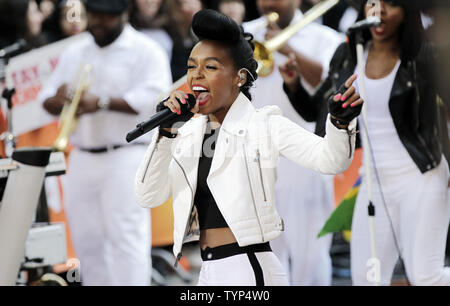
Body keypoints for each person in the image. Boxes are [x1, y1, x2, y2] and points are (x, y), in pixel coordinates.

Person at [134, 9, 362, 286]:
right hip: (207, 271)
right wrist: (166, 133)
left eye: (211, 67)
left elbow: (331, 160)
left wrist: (339, 121)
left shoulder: (265, 124)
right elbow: (148, 195)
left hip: (249, 269)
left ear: (239, 77)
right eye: (192, 66)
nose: (196, 76)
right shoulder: (188, 133)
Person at [281, 0, 450, 286]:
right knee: (367, 278)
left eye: (392, 4)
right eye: (373, 3)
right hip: (372, 182)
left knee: (425, 276)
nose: (380, 11)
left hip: (423, 177)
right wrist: (294, 85)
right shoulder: (348, 54)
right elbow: (315, 112)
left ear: (406, 12)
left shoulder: (424, 57)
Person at [38, 0, 172, 285]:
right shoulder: (75, 50)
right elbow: (46, 99)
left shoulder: (146, 50)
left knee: (126, 238)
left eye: (106, 17)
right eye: (94, 15)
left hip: (126, 155)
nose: (97, 22)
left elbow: (153, 100)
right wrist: (59, 99)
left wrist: (100, 102)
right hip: (82, 155)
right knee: (87, 240)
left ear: (124, 14)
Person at [242, 0, 345, 285]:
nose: (269, 4)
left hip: (305, 155)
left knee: (309, 253)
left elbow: (330, 80)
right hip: (254, 155)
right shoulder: (243, 34)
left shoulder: (325, 38)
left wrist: (287, 48)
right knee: (262, 253)